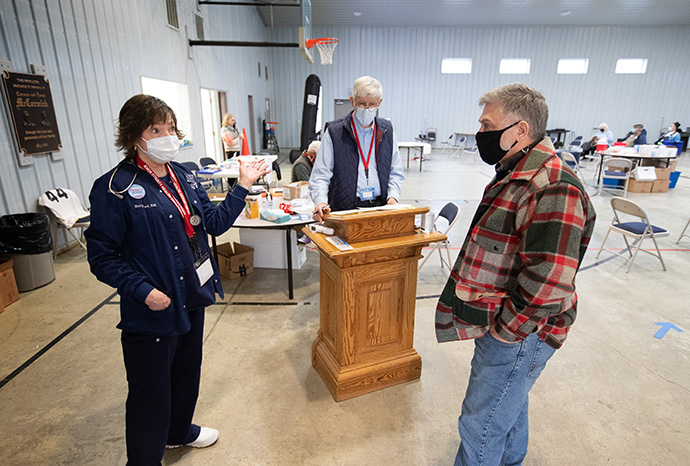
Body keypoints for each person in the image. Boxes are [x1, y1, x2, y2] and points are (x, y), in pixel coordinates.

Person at [85, 95, 269, 466]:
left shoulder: (183, 175)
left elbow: (213, 225)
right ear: (134, 135)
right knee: (150, 391)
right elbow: (101, 257)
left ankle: (178, 431)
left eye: (170, 128)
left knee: (186, 372)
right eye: (156, 129)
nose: (166, 136)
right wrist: (143, 291)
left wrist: (243, 184)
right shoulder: (115, 188)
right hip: (152, 307)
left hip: (192, 293)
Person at [435, 83, 596, 466]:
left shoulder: (553, 185)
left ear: (519, 130)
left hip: (522, 330)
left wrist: (504, 333)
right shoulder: (517, 171)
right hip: (509, 322)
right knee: (508, 406)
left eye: (487, 124)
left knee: (481, 425)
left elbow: (549, 280)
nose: (481, 133)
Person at [310, 76, 405, 223]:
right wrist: (320, 201)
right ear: (353, 101)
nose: (367, 109)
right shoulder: (335, 132)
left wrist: (393, 197)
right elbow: (320, 175)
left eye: (371, 104)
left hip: (381, 207)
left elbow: (396, 171)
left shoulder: (387, 130)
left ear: (379, 103)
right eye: (362, 103)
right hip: (345, 209)